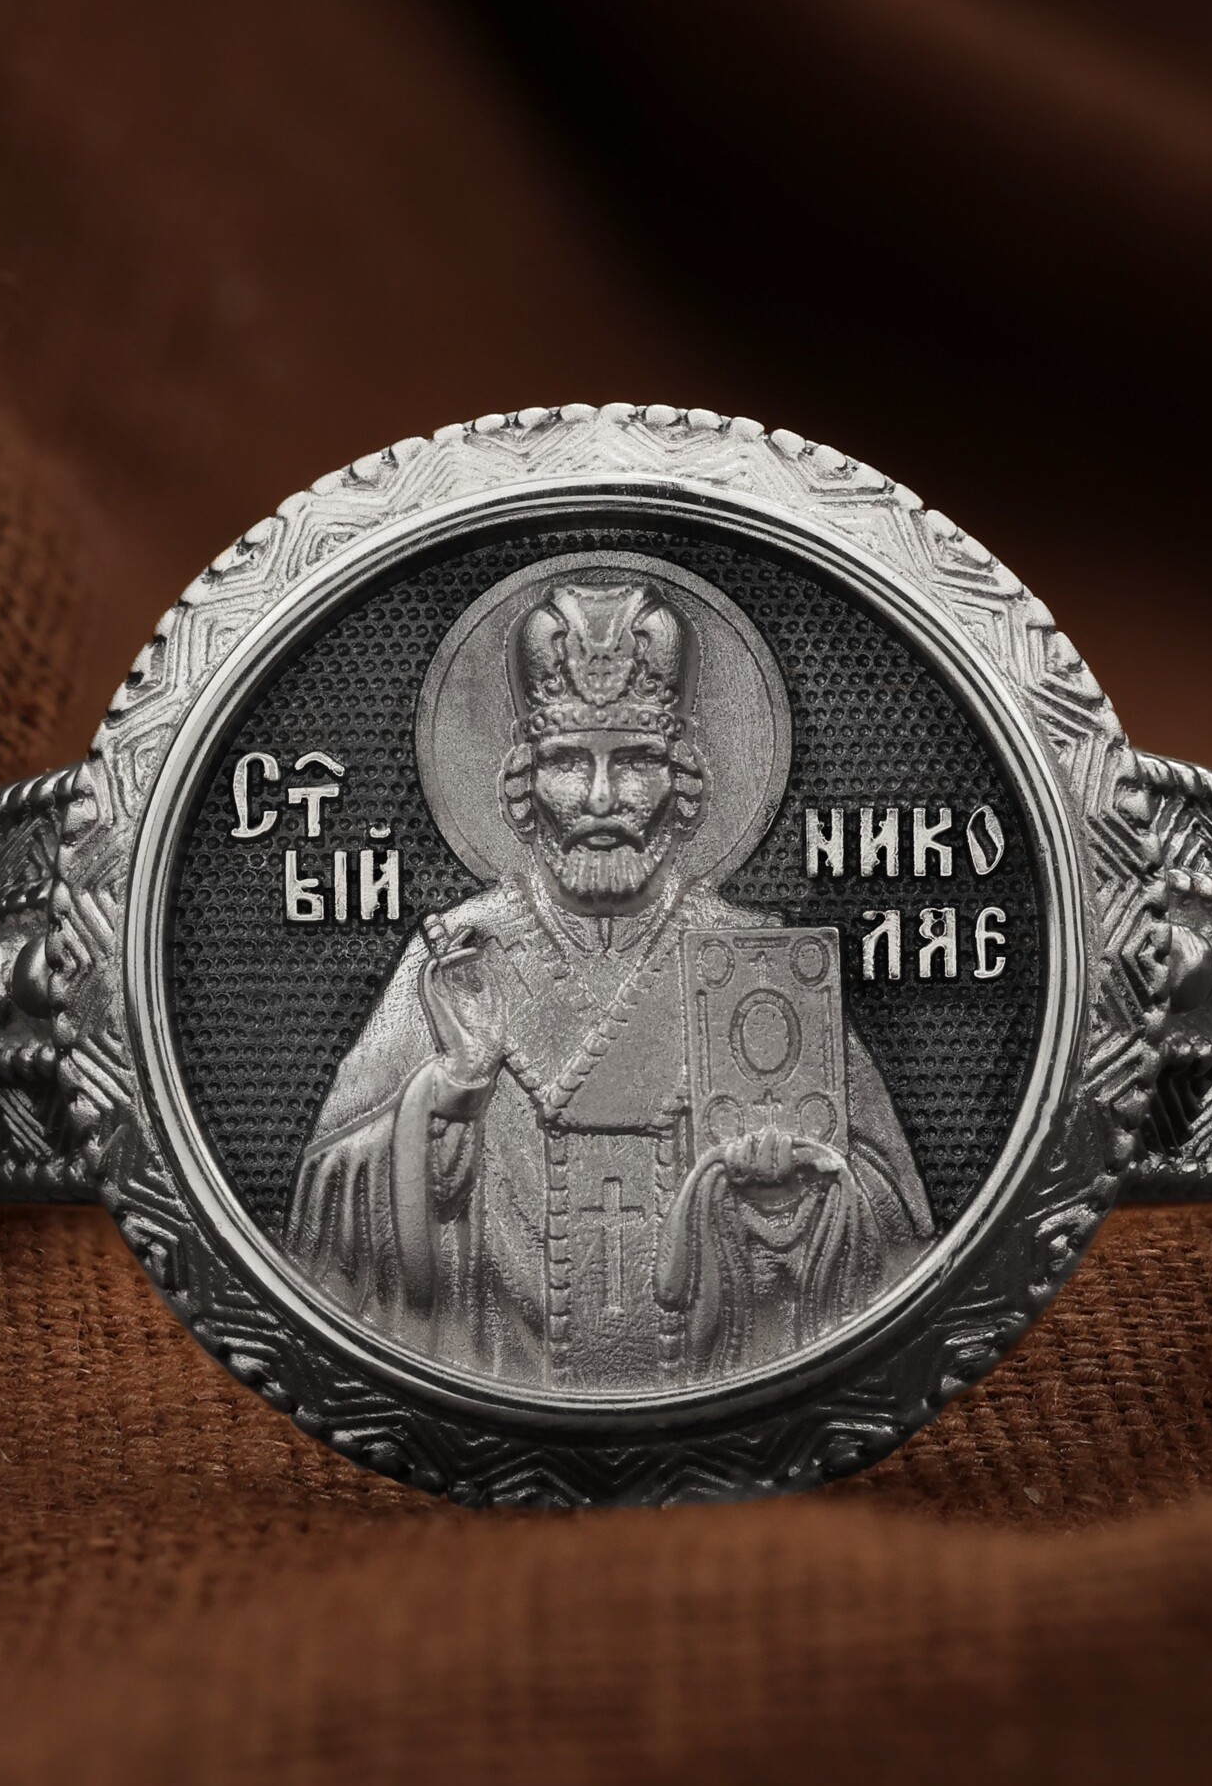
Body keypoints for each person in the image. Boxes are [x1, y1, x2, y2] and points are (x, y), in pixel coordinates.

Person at [286, 570, 931, 1392]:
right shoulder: (459, 956)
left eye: (633, 762)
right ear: (523, 783)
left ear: (683, 780)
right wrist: (439, 1106)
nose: (599, 798)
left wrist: (792, 1194)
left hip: (724, 1383)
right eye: (566, 762)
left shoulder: (759, 963)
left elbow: (894, 1221)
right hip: (493, 1379)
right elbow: (322, 1219)